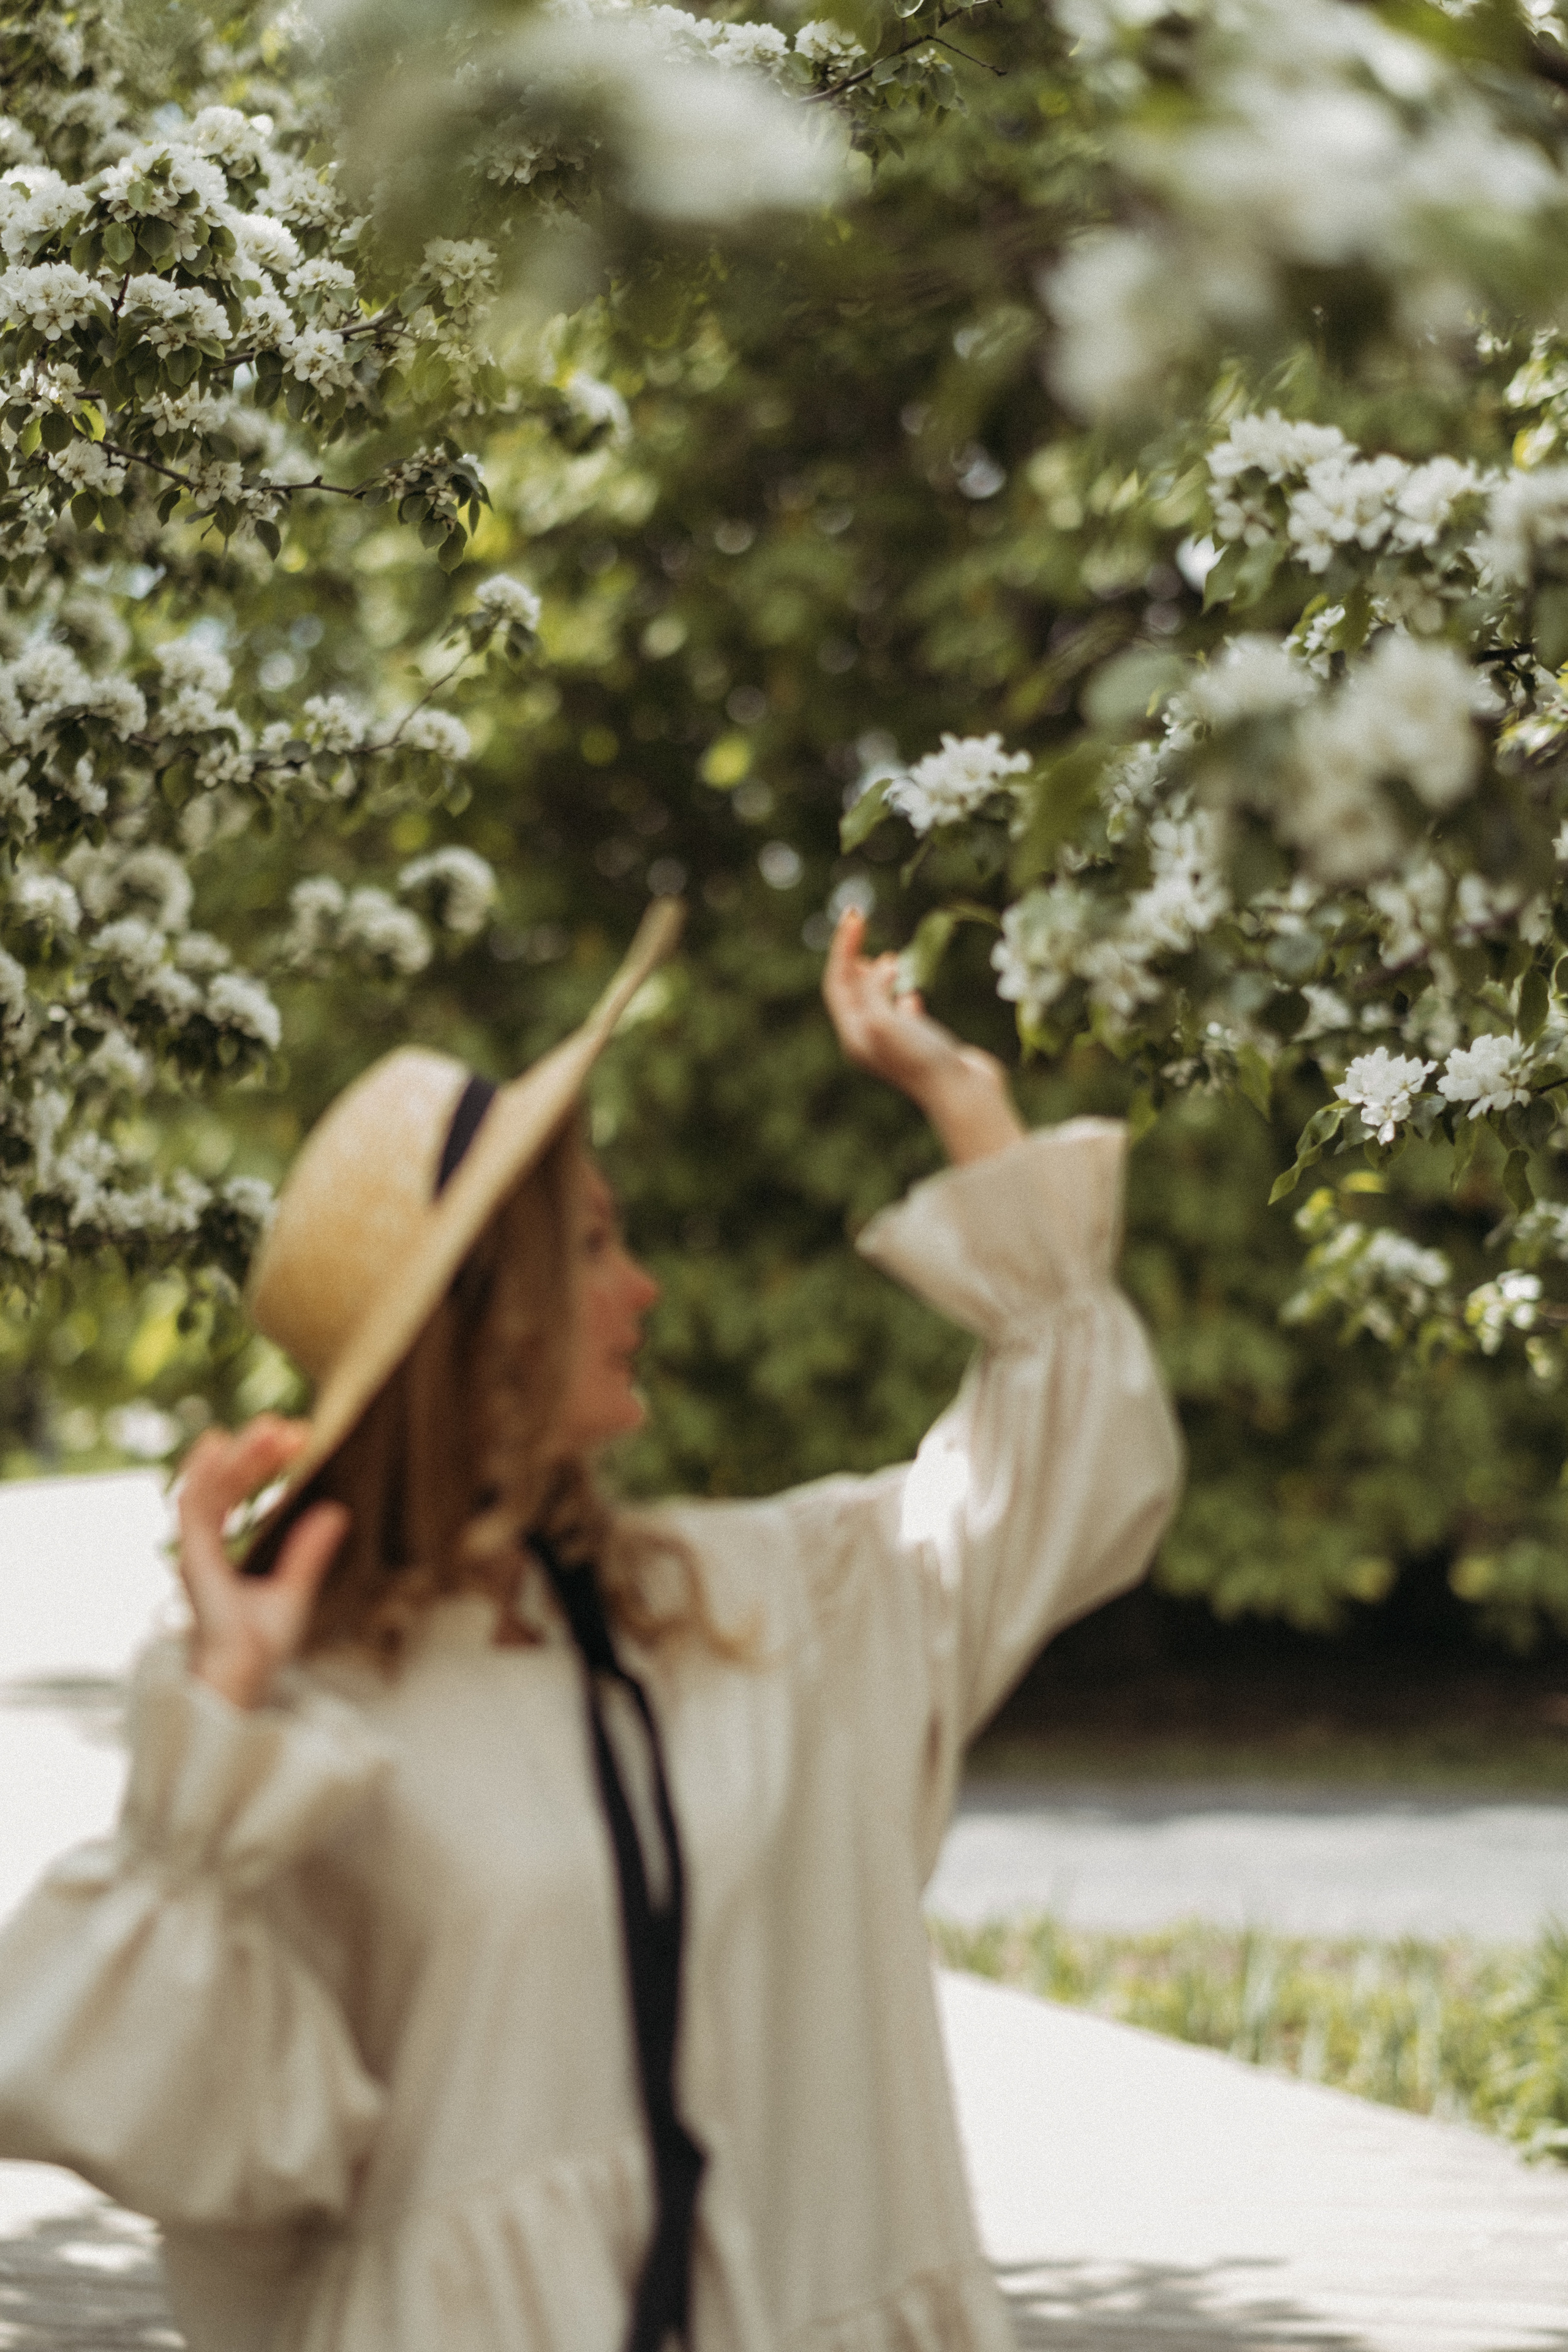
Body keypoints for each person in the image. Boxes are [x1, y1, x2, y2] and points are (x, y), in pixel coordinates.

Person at [0, 902, 1182, 2352]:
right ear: (480, 1318)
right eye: (593, 1245)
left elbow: (1063, 1473)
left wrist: (962, 1101)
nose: (645, 1289)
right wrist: (223, 1736)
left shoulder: (755, 1607)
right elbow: (142, 2111)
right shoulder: (299, 1715)